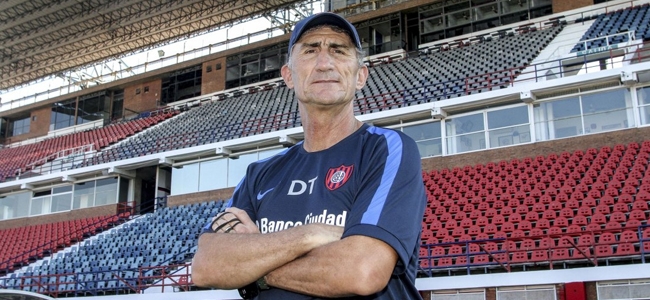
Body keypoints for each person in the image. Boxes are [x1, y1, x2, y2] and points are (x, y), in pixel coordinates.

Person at [192, 12, 426, 299]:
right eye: (310, 50)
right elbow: (206, 265)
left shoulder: (387, 149)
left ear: (360, 76)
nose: (325, 63)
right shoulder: (260, 173)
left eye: (338, 51)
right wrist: (309, 234)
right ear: (288, 76)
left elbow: (362, 270)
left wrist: (254, 268)